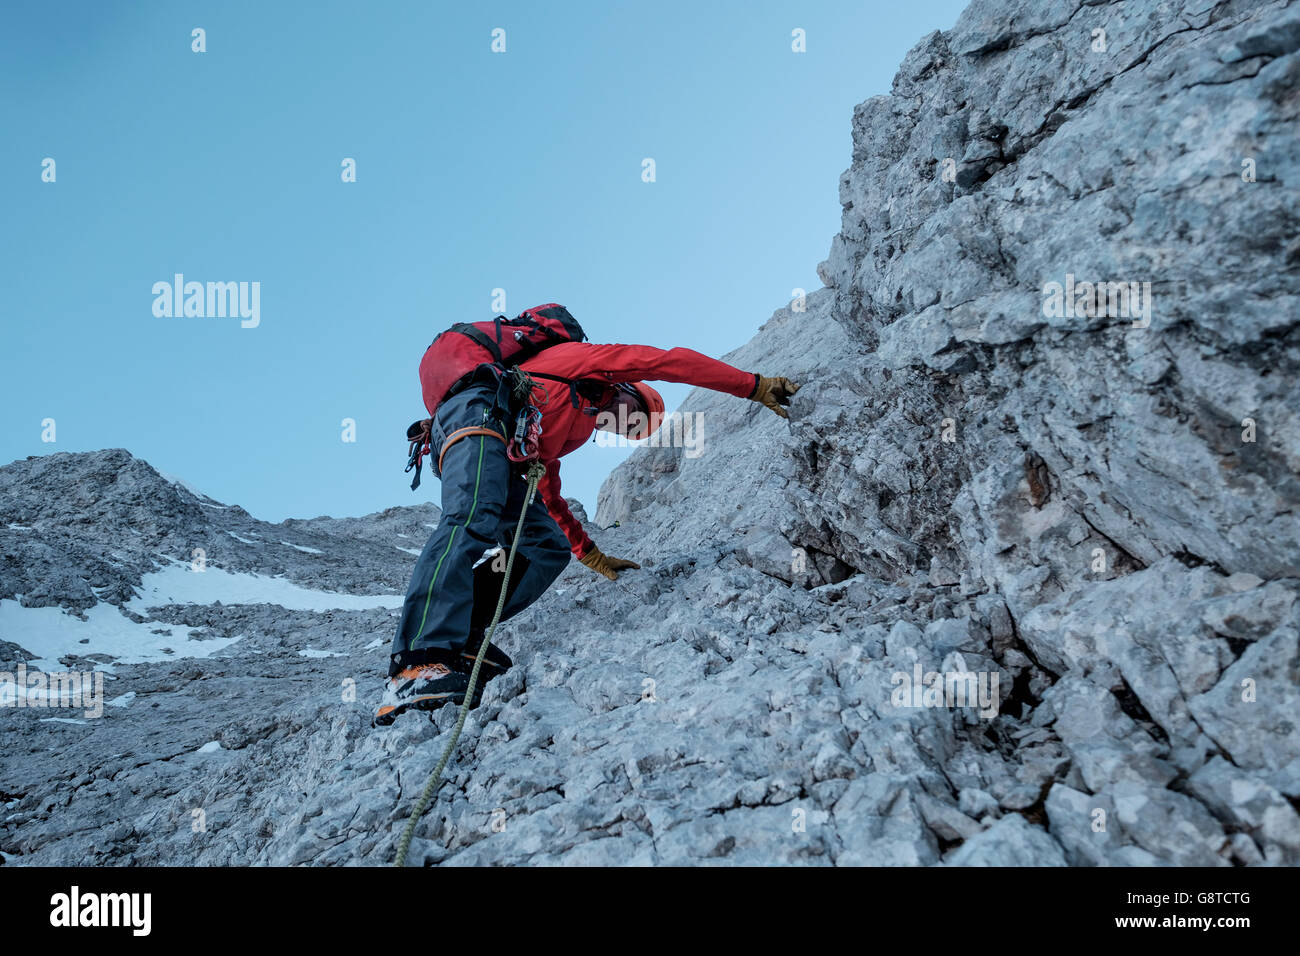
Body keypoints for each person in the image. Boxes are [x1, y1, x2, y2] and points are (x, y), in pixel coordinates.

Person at [375, 332, 799, 724]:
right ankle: (417, 659)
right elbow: (671, 362)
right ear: (626, 389)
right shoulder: (587, 364)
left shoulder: (574, 423)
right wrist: (750, 385)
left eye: (630, 428)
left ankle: (460, 637)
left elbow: (550, 491)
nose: (623, 422)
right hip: (476, 412)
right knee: (472, 517)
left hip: (494, 438)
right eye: (633, 413)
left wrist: (587, 551)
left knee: (547, 547)